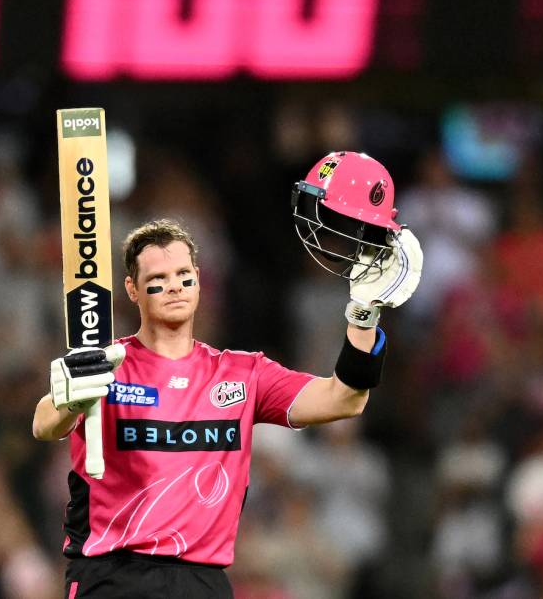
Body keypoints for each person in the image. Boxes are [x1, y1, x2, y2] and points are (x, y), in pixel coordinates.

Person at [33, 151, 424, 598]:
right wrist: (67, 399)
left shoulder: (242, 374)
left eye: (184, 275)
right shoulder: (106, 364)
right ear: (132, 290)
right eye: (158, 279)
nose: (175, 287)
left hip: (203, 580)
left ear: (200, 280)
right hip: (111, 576)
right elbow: (44, 425)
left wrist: (363, 317)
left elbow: (345, 399)